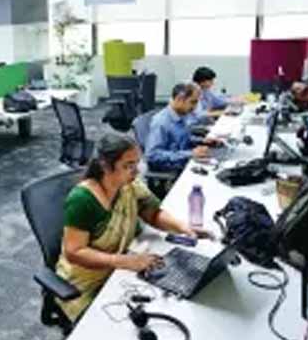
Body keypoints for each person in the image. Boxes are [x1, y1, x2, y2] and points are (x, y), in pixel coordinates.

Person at [56, 133, 200, 320]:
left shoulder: (129, 185)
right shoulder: (83, 199)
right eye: (128, 165)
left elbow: (153, 213)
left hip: (117, 268)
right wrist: (125, 262)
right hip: (85, 282)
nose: (136, 171)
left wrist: (183, 228)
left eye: (136, 164)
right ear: (105, 166)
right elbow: (74, 252)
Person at [145, 83, 221, 172]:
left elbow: (181, 138)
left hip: (185, 160)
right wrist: (190, 153)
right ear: (179, 99)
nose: (195, 107)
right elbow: (152, 155)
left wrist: (202, 141)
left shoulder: (182, 114)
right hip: (173, 169)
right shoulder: (161, 122)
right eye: (193, 102)